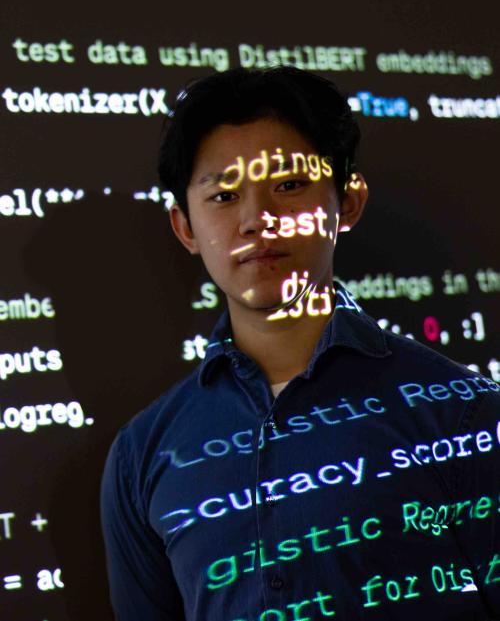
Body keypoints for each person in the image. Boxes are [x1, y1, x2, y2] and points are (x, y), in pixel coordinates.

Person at [100, 66, 500, 621]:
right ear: (185, 227)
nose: (256, 220)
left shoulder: (464, 415)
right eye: (223, 196)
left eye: (288, 186)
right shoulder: (142, 456)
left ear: (348, 203)